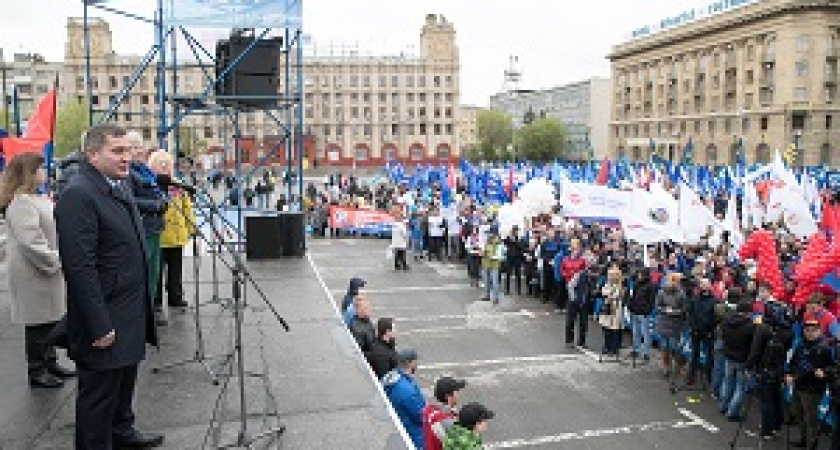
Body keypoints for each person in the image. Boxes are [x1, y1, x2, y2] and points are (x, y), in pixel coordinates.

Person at [55, 124, 163, 449]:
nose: (126, 157)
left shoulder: (117, 184)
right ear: (92, 154)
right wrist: (98, 324)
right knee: (98, 397)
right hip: (106, 316)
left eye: (128, 150)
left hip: (127, 311)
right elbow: (80, 267)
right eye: (117, 151)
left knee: (123, 384)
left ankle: (122, 432)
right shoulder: (79, 194)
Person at [1, 153, 74, 388]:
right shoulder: (21, 203)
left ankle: (50, 362)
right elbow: (30, 240)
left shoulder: (36, 199)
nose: (45, 171)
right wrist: (54, 260)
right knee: (37, 323)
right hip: (33, 272)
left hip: (44, 270)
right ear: (29, 173)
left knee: (49, 319)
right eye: (41, 168)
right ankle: (37, 369)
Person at [127, 132, 168, 324]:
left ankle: (150, 309)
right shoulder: (127, 173)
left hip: (154, 226)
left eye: (139, 146)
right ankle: (142, 314)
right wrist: (155, 206)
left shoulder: (146, 171)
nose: (138, 150)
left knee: (154, 272)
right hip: (142, 227)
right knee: (143, 273)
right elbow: (129, 200)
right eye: (133, 147)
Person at [149, 150, 193, 311]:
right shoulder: (152, 185)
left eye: (167, 164)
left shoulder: (178, 186)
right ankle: (157, 299)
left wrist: (190, 227)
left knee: (176, 270)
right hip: (160, 236)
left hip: (177, 236)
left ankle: (176, 296)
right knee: (157, 271)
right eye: (161, 164)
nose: (165, 168)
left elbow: (187, 208)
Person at [786, 316, 833, 449]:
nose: (810, 333)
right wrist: (788, 373)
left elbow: (832, 367)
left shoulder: (825, 348)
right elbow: (793, 362)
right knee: (798, 414)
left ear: (820, 331)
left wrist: (824, 372)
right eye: (807, 330)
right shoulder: (800, 344)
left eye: (813, 330)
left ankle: (811, 445)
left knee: (810, 419)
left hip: (813, 390)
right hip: (798, 385)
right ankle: (803, 439)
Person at [718, 301, 756, 421]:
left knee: (727, 381)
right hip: (742, 359)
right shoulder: (750, 326)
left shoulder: (726, 321)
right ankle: (732, 412)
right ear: (747, 313)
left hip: (728, 355)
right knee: (740, 386)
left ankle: (723, 406)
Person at [383, 349, 426, 449]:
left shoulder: (391, 377)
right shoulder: (407, 391)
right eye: (415, 361)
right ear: (410, 363)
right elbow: (420, 416)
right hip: (414, 435)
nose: (417, 364)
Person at [685, 278, 717, 386]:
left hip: (708, 333)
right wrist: (692, 327)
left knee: (709, 357)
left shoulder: (714, 300)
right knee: (694, 355)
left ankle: (708, 378)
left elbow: (715, 318)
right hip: (696, 331)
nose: (704, 286)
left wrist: (711, 331)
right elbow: (690, 313)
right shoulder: (695, 298)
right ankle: (691, 377)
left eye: (706, 284)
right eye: (702, 284)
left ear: (710, 286)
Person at [655, 272, 687, 381]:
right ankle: (666, 368)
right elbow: (657, 306)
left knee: (674, 347)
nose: (673, 283)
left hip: (675, 324)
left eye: (675, 281)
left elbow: (684, 309)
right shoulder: (661, 292)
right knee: (665, 348)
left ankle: (678, 366)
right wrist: (665, 310)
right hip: (663, 323)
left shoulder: (681, 294)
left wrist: (674, 312)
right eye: (671, 280)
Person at [422, 377, 467, 450]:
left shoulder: (429, 409)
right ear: (448, 396)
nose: (459, 394)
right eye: (457, 392)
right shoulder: (445, 420)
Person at [626, 267, 656, 363]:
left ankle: (646, 353)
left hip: (643, 313)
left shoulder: (650, 286)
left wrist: (646, 311)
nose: (638, 276)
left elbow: (651, 301)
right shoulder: (636, 284)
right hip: (634, 311)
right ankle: (636, 349)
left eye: (640, 274)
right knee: (635, 332)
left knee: (645, 334)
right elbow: (632, 296)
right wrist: (630, 306)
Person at [599, 264, 625, 356]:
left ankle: (614, 349)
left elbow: (617, 295)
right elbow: (603, 291)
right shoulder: (607, 283)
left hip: (615, 309)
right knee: (606, 329)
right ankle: (607, 346)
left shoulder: (620, 285)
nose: (609, 277)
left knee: (614, 330)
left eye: (612, 275)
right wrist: (609, 294)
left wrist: (609, 294)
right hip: (607, 308)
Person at [481, 228, 504, 305]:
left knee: (494, 282)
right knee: (486, 281)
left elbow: (500, 256)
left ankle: (495, 298)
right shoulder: (487, 243)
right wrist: (482, 253)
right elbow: (483, 252)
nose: (488, 235)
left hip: (494, 265)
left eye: (490, 234)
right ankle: (487, 295)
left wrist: (492, 257)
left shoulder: (499, 245)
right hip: (486, 264)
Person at [503, 226, 525, 296]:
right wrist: (509, 238)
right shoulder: (508, 238)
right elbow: (505, 243)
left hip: (517, 258)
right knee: (508, 274)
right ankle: (507, 290)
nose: (515, 232)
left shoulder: (519, 239)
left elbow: (521, 247)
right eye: (514, 231)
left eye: (516, 231)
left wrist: (515, 241)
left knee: (518, 275)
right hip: (509, 258)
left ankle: (518, 290)